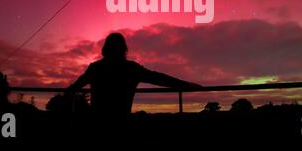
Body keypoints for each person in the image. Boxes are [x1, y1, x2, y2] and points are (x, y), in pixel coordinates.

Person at [66, 33, 201, 116]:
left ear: (105, 49)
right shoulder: (131, 69)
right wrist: (186, 85)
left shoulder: (95, 68)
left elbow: (75, 87)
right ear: (124, 49)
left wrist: (69, 92)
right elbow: (160, 78)